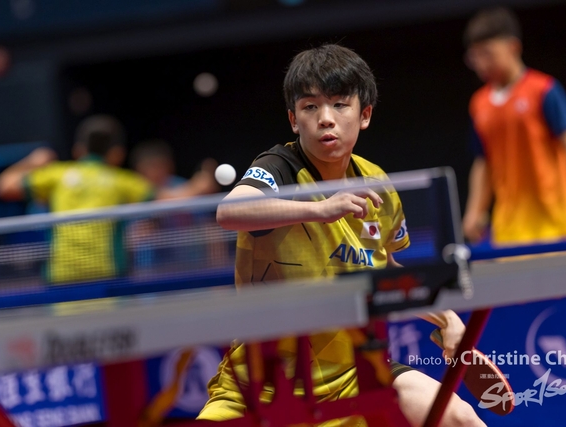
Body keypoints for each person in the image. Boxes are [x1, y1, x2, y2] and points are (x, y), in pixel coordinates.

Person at [197, 45, 484, 427]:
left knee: (461, 419)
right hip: (264, 385)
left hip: (354, 375)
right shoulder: (280, 167)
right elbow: (230, 211)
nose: (325, 119)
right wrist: (320, 209)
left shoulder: (377, 184)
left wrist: (447, 318)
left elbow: (385, 269)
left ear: (364, 115)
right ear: (294, 119)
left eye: (339, 105)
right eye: (310, 107)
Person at [0, 115, 217, 283]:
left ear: (78, 150)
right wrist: (199, 185)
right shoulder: (122, 181)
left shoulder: (57, 175)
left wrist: (32, 161)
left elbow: (3, 186)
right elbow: (170, 200)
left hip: (62, 277)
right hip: (108, 277)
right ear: (117, 154)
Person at [461, 7, 566, 246]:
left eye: (488, 54)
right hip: (508, 229)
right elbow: (483, 162)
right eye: (475, 57)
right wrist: (474, 211)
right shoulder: (478, 103)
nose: (482, 64)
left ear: (513, 47)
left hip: (555, 221)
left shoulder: (544, 90)